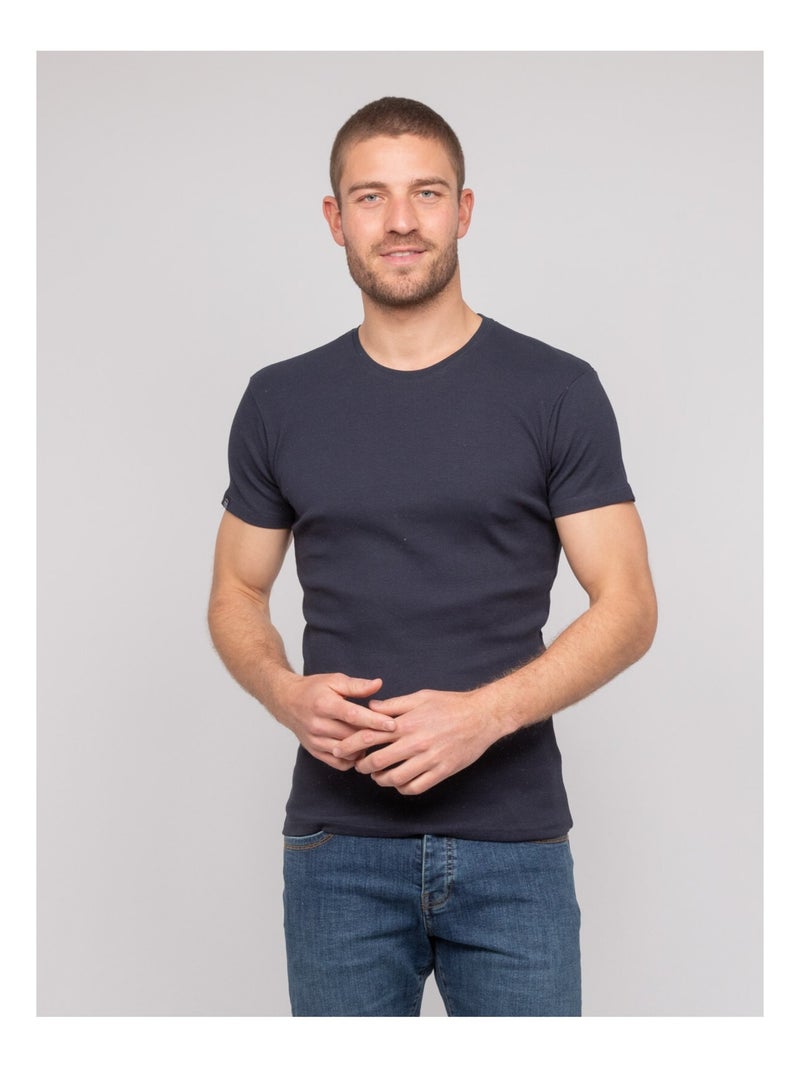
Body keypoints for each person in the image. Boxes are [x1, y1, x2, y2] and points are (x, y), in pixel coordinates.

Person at [207, 96, 657, 1017]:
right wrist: (285, 693)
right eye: (371, 196)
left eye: (427, 192)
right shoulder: (279, 401)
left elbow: (629, 605)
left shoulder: (556, 390)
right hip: (336, 850)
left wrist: (485, 716)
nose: (401, 221)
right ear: (335, 219)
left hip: (514, 847)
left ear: (464, 209)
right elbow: (236, 591)